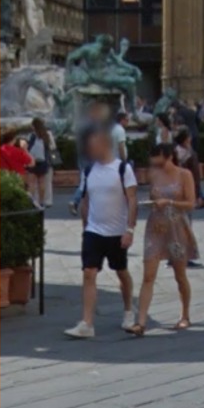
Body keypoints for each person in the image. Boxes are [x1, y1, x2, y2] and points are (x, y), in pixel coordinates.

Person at [65, 129, 138, 339]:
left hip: (117, 232)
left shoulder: (123, 169)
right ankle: (87, 323)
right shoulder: (88, 170)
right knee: (89, 272)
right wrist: (85, 226)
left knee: (121, 271)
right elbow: (86, 198)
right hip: (93, 231)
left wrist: (130, 230)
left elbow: (132, 200)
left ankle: (128, 310)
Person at [128, 144, 198, 334]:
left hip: (176, 228)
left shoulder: (184, 175)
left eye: (157, 158)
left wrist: (170, 202)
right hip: (155, 228)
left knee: (179, 274)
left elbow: (191, 203)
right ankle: (140, 322)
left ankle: (185, 315)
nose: (154, 163)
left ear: (168, 157)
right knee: (148, 275)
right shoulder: (154, 175)